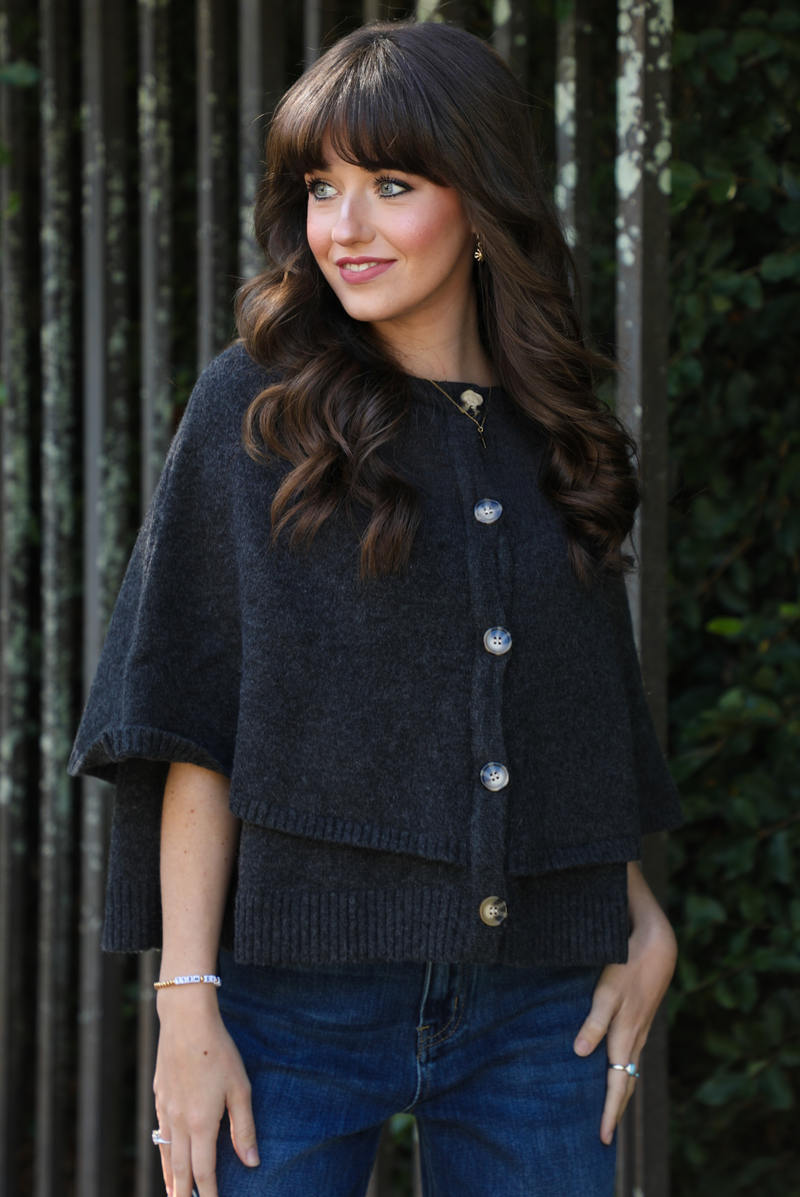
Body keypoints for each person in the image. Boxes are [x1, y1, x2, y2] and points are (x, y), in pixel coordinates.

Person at [69, 19, 682, 1197]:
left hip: (538, 1009)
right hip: (290, 1012)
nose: (341, 229)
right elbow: (189, 720)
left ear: (481, 201)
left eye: (390, 185)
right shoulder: (256, 408)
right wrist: (184, 1003)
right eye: (319, 187)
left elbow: (573, 703)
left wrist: (636, 911)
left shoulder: (554, 427)